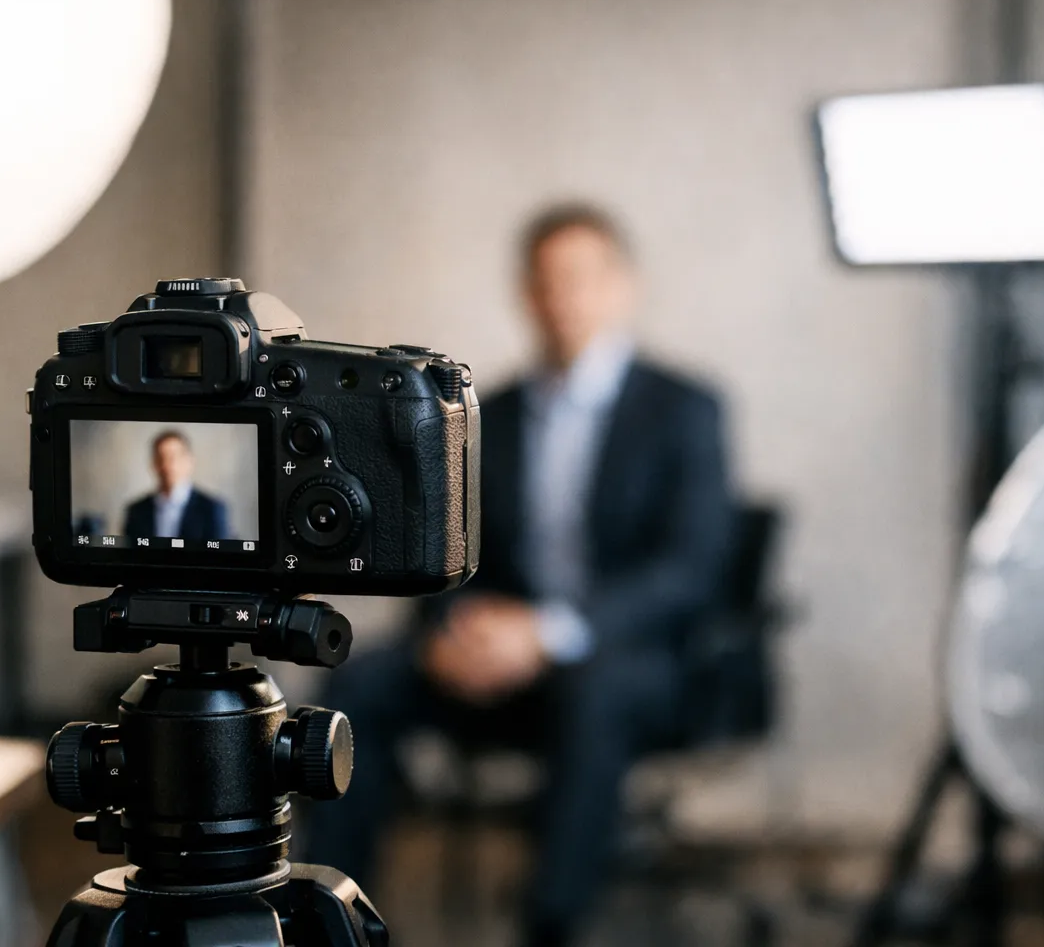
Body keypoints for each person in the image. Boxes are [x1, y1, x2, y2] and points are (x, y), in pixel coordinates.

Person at [305, 203, 734, 946]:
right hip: (497, 657)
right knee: (360, 683)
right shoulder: (487, 415)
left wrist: (548, 634)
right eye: (545, 282)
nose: (563, 298)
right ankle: (336, 919)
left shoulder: (684, 409)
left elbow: (689, 569)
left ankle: (550, 925)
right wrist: (450, 629)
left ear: (622, 287)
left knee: (592, 689)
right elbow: (445, 551)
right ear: (524, 295)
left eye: (581, 279)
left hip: (634, 662)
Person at [122, 430, 229, 543]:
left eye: (173, 457)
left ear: (189, 461)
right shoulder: (136, 511)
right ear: (153, 463)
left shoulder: (212, 509)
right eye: (161, 458)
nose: (167, 465)